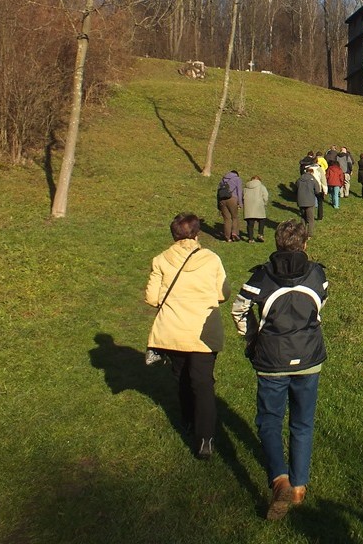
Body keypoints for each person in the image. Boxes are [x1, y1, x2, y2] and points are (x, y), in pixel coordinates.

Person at [231, 220, 328, 520]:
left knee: (270, 421)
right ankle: (298, 487)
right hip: (309, 358)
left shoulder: (261, 277)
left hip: (272, 360)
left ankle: (279, 479)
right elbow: (320, 304)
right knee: (303, 421)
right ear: (305, 244)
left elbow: (239, 309)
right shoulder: (318, 274)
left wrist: (252, 338)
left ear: (276, 243)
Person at [145, 212, 229, 459]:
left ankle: (188, 420)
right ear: (197, 233)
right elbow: (223, 293)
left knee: (181, 376)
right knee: (202, 383)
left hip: (173, 330)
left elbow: (151, 297)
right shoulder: (211, 259)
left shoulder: (161, 259)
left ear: (174, 235)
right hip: (204, 332)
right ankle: (205, 439)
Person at [217, 170, 243, 242]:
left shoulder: (223, 180)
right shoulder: (237, 179)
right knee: (234, 217)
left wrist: (218, 205)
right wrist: (240, 203)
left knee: (227, 219)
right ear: (236, 174)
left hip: (222, 200)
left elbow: (218, 192)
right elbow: (239, 191)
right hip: (232, 199)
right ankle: (234, 233)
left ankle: (227, 237)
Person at [243, 175, 269, 243]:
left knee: (250, 223)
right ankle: (260, 234)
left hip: (248, 206)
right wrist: (264, 204)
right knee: (262, 220)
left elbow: (243, 196)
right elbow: (265, 196)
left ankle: (250, 238)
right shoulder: (261, 186)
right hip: (259, 205)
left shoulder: (246, 187)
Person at [296, 164, 318, 236]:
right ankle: (309, 234)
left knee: (303, 217)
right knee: (310, 219)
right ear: (312, 172)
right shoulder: (313, 179)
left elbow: (296, 187)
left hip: (301, 201)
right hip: (310, 201)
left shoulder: (299, 179)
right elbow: (317, 190)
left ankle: (301, 232)